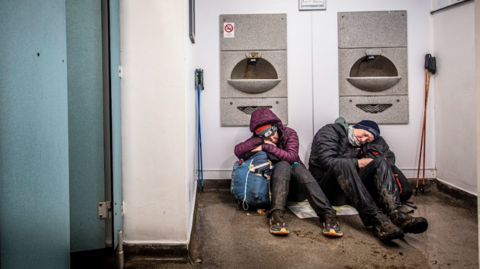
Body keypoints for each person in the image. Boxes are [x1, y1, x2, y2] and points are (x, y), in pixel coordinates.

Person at [308, 117, 428, 241]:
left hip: (351, 189)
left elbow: (387, 159)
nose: (364, 140)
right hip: (329, 189)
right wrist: (359, 162)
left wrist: (369, 157)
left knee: (380, 162)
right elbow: (327, 161)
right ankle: (377, 221)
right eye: (364, 134)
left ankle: (397, 214)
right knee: (343, 164)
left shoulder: (361, 144)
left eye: (368, 139)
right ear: (357, 126)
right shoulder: (331, 131)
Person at [234, 108, 342, 237]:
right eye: (266, 138)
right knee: (283, 165)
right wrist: (261, 141)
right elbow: (238, 150)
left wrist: (266, 146)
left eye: (272, 135)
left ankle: (328, 215)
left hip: (297, 189)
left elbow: (291, 156)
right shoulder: (259, 139)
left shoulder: (289, 133)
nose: (272, 140)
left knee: (293, 165)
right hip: (274, 190)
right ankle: (276, 216)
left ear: (277, 128)